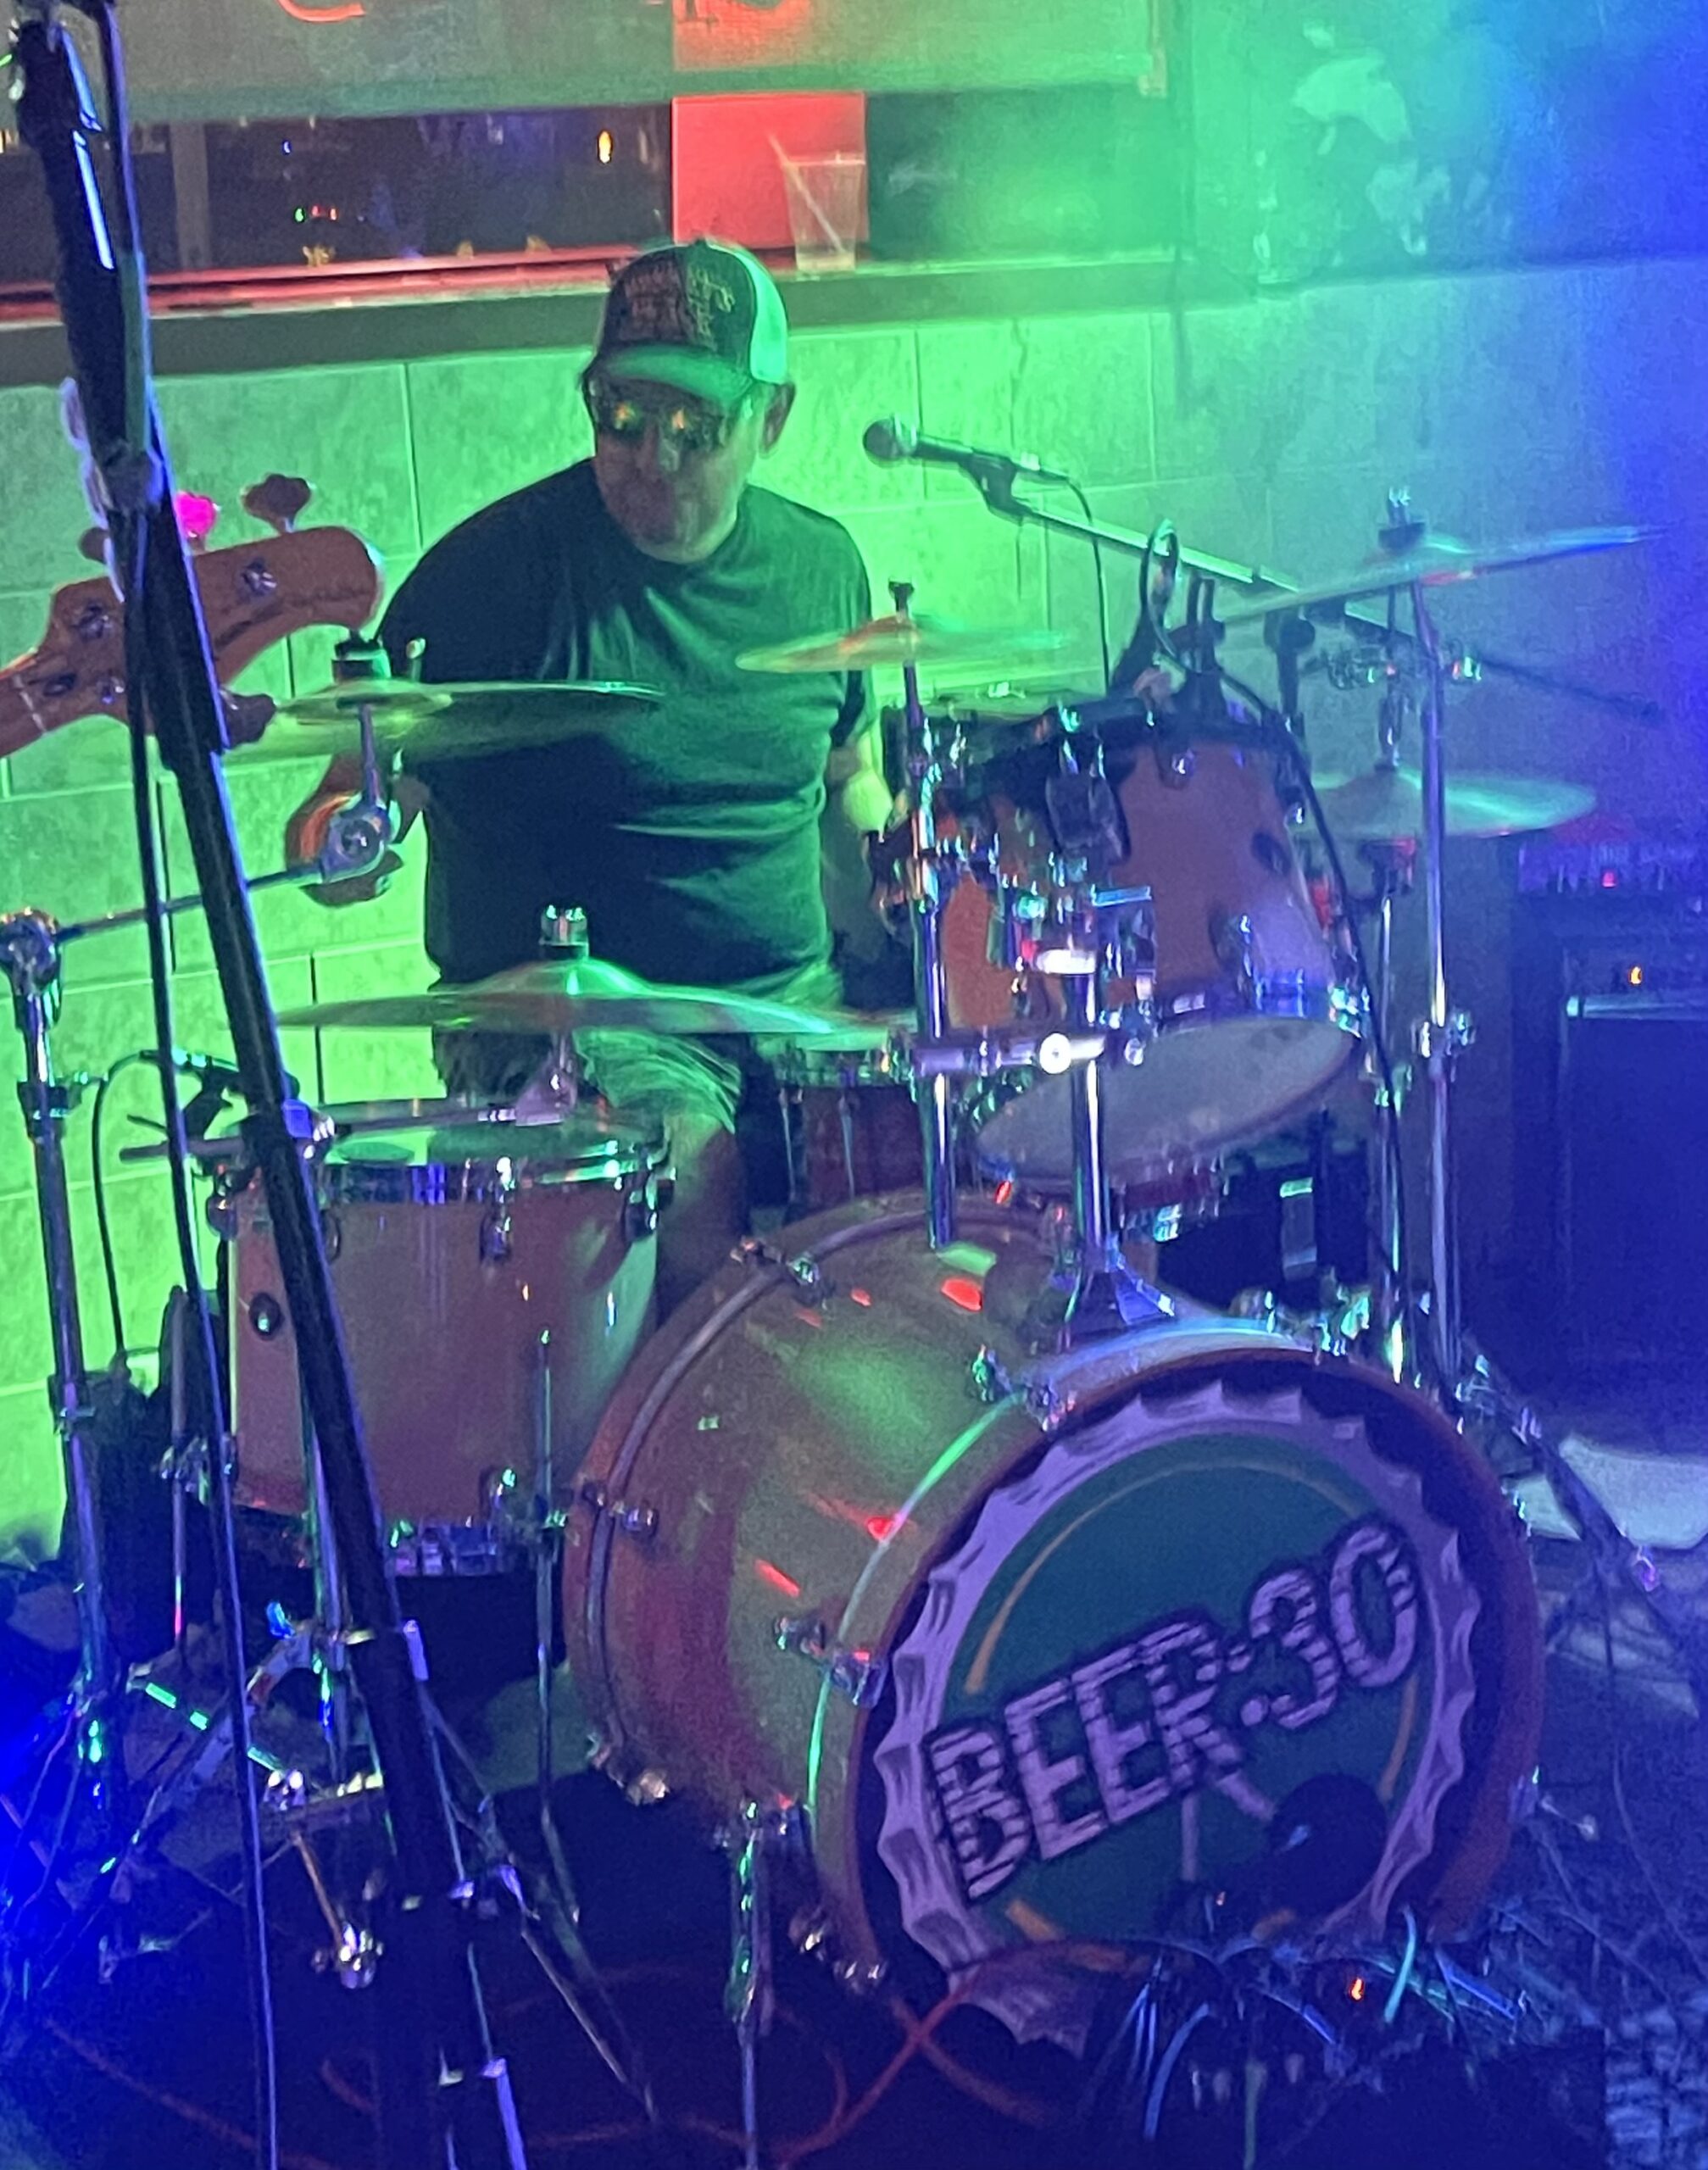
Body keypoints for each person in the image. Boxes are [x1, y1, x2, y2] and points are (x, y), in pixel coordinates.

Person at [287, 238, 896, 1310]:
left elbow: (850, 780)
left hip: (789, 1009)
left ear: (773, 418)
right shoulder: (493, 577)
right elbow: (350, 797)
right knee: (689, 1171)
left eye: (693, 424)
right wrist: (341, 838)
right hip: (574, 1030)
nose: (651, 455)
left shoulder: (822, 568)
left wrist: (908, 920)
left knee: (961, 1147)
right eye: (621, 414)